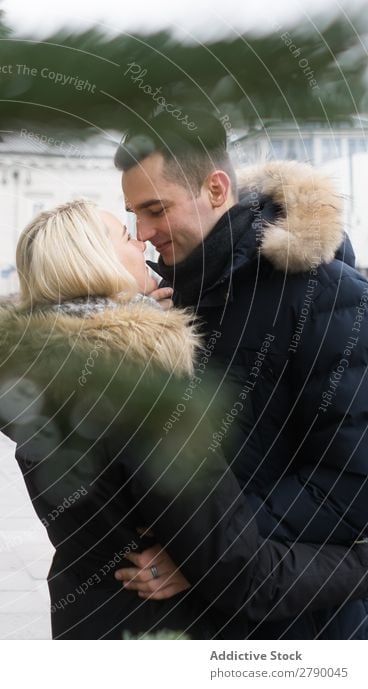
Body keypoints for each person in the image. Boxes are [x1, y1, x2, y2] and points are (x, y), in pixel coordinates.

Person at [0, 199, 368, 640]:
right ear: (95, 263)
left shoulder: (45, 378)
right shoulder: (145, 398)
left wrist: (142, 316)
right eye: (124, 235)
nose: (140, 240)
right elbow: (249, 579)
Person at [115, 109, 368, 638]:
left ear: (214, 188)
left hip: (297, 626)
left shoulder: (327, 295)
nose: (143, 233)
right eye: (133, 214)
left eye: (155, 209)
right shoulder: (168, 301)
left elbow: (349, 480)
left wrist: (208, 554)